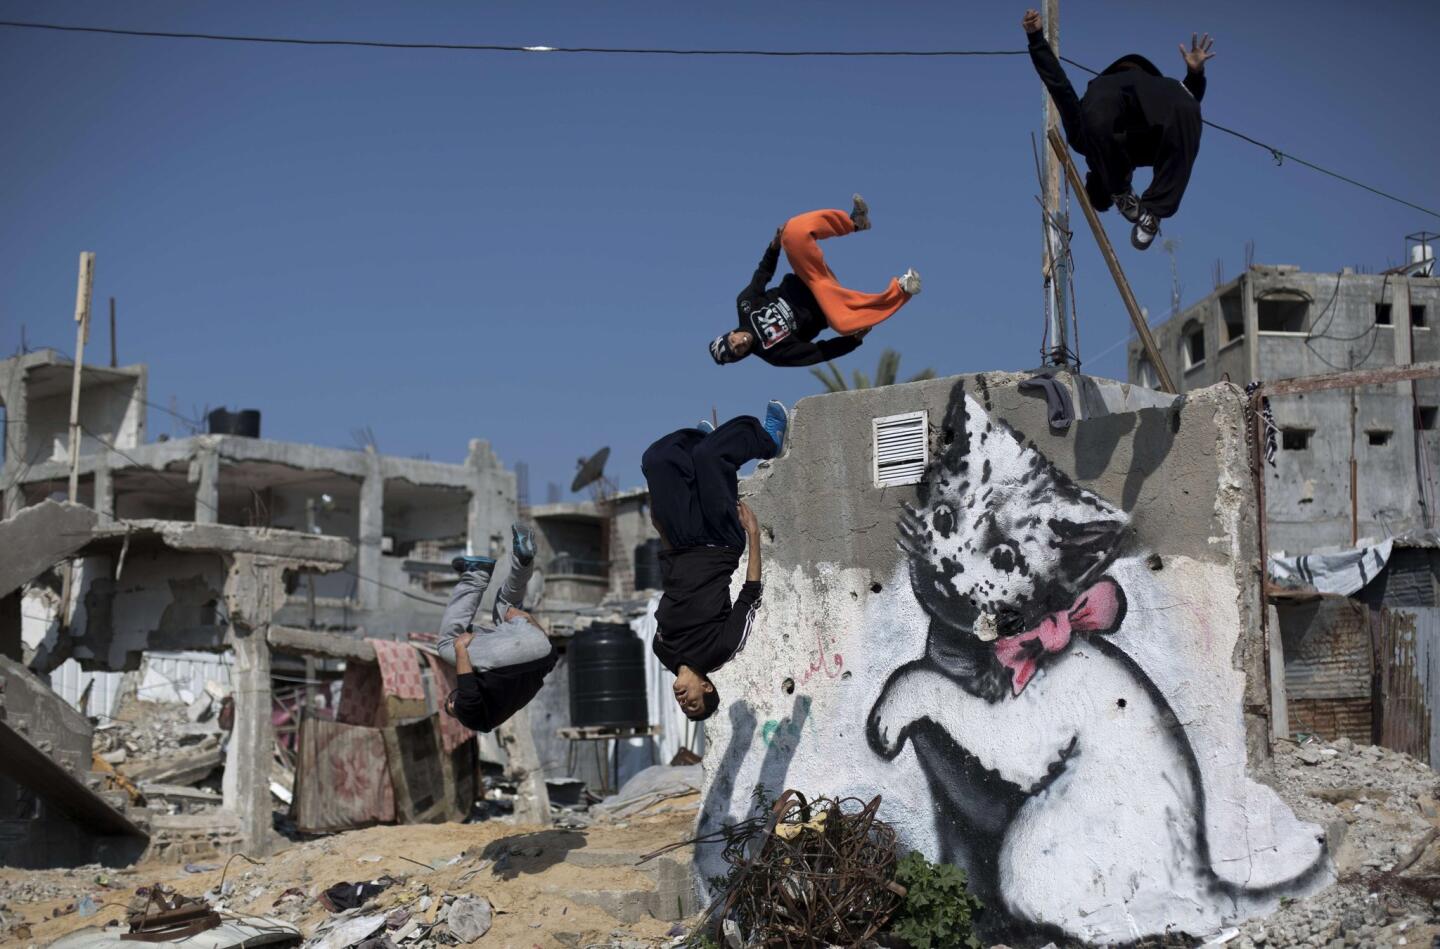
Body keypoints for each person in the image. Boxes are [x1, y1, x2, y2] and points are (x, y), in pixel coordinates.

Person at [642, 402, 788, 720]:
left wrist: (661, 530)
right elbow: (750, 595)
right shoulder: (721, 649)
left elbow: (675, 584)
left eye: (684, 707)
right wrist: (753, 535)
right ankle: (770, 441)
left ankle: (696, 448)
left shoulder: (660, 648)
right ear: (706, 688)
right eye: (692, 703)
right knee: (712, 456)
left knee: (656, 459)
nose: (684, 700)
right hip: (720, 541)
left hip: (679, 542)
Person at [1023, 8, 1214, 250]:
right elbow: (1181, 122)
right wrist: (1195, 76)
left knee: (1093, 127)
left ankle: (1131, 198)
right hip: (1158, 90)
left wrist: (1036, 40)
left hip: (1111, 90)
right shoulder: (1141, 151)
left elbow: (1060, 87)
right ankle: (1153, 212)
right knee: (1188, 110)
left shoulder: (1084, 140)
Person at [710, 196, 921, 368]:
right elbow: (817, 353)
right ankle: (903, 288)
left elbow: (763, 274)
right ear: (742, 356)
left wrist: (774, 247)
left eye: (732, 341)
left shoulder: (745, 305)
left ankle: (854, 222)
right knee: (844, 324)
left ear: (731, 333)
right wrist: (852, 342)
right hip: (826, 305)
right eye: (737, 350)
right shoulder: (774, 354)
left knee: (792, 232)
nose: (739, 343)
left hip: (808, 277)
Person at [439, 523, 558, 732]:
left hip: (539, 649)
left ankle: (523, 560)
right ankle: (476, 574)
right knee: (446, 643)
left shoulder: (502, 704)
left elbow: (551, 655)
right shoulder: (471, 718)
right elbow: (468, 693)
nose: (451, 702)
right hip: (507, 659)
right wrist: (459, 648)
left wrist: (528, 619)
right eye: (450, 704)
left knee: (506, 607)